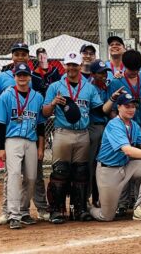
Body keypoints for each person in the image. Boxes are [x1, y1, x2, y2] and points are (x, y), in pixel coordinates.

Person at [43, 51, 104, 224]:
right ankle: (56, 209)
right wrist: (53, 103)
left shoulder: (89, 87)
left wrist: (112, 102)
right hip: (63, 132)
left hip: (83, 133)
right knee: (60, 171)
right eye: (69, 64)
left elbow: (99, 110)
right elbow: (45, 112)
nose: (71, 68)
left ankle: (80, 208)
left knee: (81, 172)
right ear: (64, 66)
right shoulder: (55, 86)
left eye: (74, 65)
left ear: (80, 66)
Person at [90, 93, 141, 222]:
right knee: (107, 216)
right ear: (119, 107)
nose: (131, 109)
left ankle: (140, 209)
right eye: (127, 106)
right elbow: (128, 151)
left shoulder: (134, 125)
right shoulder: (114, 124)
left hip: (125, 166)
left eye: (133, 106)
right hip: (108, 171)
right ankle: (90, 208)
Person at [0, 42, 49, 225]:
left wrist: (41, 147)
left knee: (32, 177)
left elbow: (41, 125)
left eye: (25, 75)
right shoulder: (6, 95)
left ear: (29, 77)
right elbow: (0, 123)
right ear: (14, 76)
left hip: (31, 141)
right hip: (12, 139)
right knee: (14, 175)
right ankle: (13, 215)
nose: (22, 77)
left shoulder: (37, 97)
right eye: (19, 75)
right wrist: (0, 147)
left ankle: (24, 211)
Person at [108, 50, 141, 137]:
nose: (134, 72)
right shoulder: (116, 82)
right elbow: (112, 110)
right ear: (125, 65)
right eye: (131, 69)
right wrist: (120, 126)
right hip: (125, 128)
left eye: (137, 69)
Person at [88, 60, 112, 207]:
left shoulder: (105, 88)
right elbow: (101, 110)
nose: (103, 75)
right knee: (93, 165)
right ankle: (92, 198)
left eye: (105, 72)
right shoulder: (91, 88)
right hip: (94, 127)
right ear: (93, 74)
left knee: (104, 164)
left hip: (106, 127)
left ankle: (101, 198)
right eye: (100, 73)